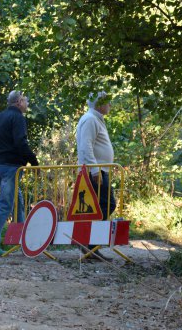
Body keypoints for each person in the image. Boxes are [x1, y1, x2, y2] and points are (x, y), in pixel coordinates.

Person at [0, 90, 39, 256]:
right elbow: (20, 142)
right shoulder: (18, 118)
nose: (27, 105)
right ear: (19, 101)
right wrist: (34, 161)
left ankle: (23, 241)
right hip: (11, 167)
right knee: (5, 205)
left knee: (18, 202)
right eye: (26, 101)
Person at [76, 91, 116, 260]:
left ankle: (90, 246)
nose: (110, 106)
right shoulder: (90, 119)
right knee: (106, 205)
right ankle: (88, 244)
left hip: (99, 171)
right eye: (107, 102)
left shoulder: (95, 119)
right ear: (100, 104)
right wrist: (94, 170)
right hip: (95, 172)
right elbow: (86, 147)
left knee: (100, 207)